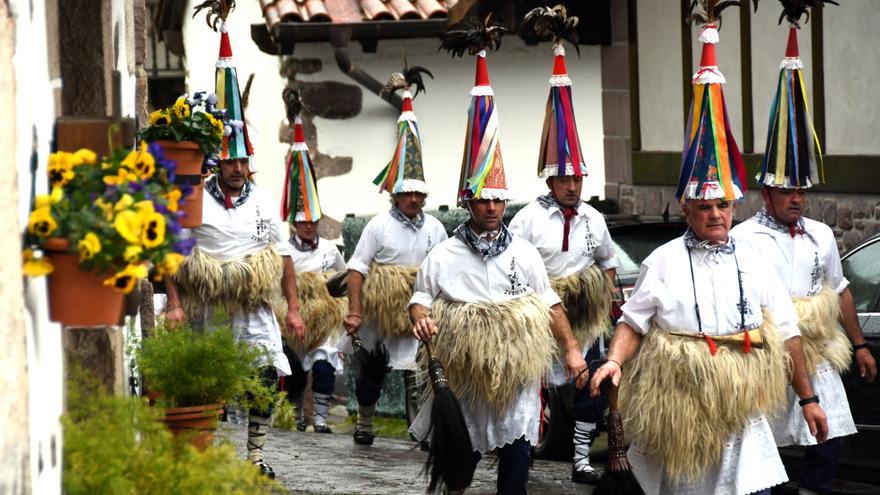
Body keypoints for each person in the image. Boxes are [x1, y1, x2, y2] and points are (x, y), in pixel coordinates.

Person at [589, 20, 828, 495]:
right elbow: (633, 323)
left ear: (735, 204)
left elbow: (788, 333)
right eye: (705, 207)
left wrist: (809, 400)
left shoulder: (756, 258)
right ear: (686, 207)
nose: (716, 215)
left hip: (741, 407)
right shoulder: (663, 261)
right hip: (682, 406)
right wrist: (615, 361)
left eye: (723, 205)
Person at [409, 32, 588, 494]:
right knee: (460, 468)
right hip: (467, 376)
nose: (492, 207)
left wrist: (570, 350)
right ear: (469, 202)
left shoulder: (523, 252)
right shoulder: (443, 255)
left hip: (515, 378)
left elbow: (548, 304)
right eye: (483, 200)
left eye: (498, 200)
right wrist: (422, 318)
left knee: (515, 462)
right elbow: (421, 298)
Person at [731, 12, 877, 494]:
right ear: (766, 193)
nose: (797, 197)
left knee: (828, 437)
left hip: (815, 351)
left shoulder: (820, 234)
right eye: (788, 190)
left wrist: (857, 345)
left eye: (802, 190)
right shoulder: (744, 238)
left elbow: (839, 290)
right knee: (765, 442)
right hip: (769, 353)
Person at [164, 20, 304, 479]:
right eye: (231, 160)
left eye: (244, 160)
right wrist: (177, 304)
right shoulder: (193, 195)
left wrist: (294, 308)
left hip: (253, 305)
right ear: (216, 161)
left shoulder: (263, 201)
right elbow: (170, 250)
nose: (239, 167)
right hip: (209, 305)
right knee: (208, 380)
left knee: (263, 376)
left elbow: (280, 254)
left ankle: (256, 455)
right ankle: (207, 453)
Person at [510, 12, 617, 483]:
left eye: (578, 177)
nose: (573, 185)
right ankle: (523, 446)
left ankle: (579, 459)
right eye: (565, 177)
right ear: (550, 178)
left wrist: (608, 306)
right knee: (531, 384)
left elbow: (607, 264)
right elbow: (509, 264)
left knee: (588, 386)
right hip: (538, 312)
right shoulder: (528, 219)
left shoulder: (594, 218)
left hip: (584, 316)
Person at [342, 69, 447, 446]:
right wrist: (355, 311)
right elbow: (356, 268)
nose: (414, 199)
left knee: (423, 372)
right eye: (408, 193)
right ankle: (365, 421)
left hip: (420, 310)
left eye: (419, 193)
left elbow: (446, 267)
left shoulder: (436, 228)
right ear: (395, 194)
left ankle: (422, 431)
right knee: (372, 372)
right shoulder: (378, 227)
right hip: (382, 312)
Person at [280, 108, 348, 434]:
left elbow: (344, 278)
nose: (308, 226)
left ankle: (320, 418)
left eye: (313, 220)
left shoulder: (330, 250)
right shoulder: (285, 251)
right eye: (303, 220)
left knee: (323, 366)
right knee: (293, 370)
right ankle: (295, 414)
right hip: (293, 320)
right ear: (295, 221)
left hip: (323, 321)